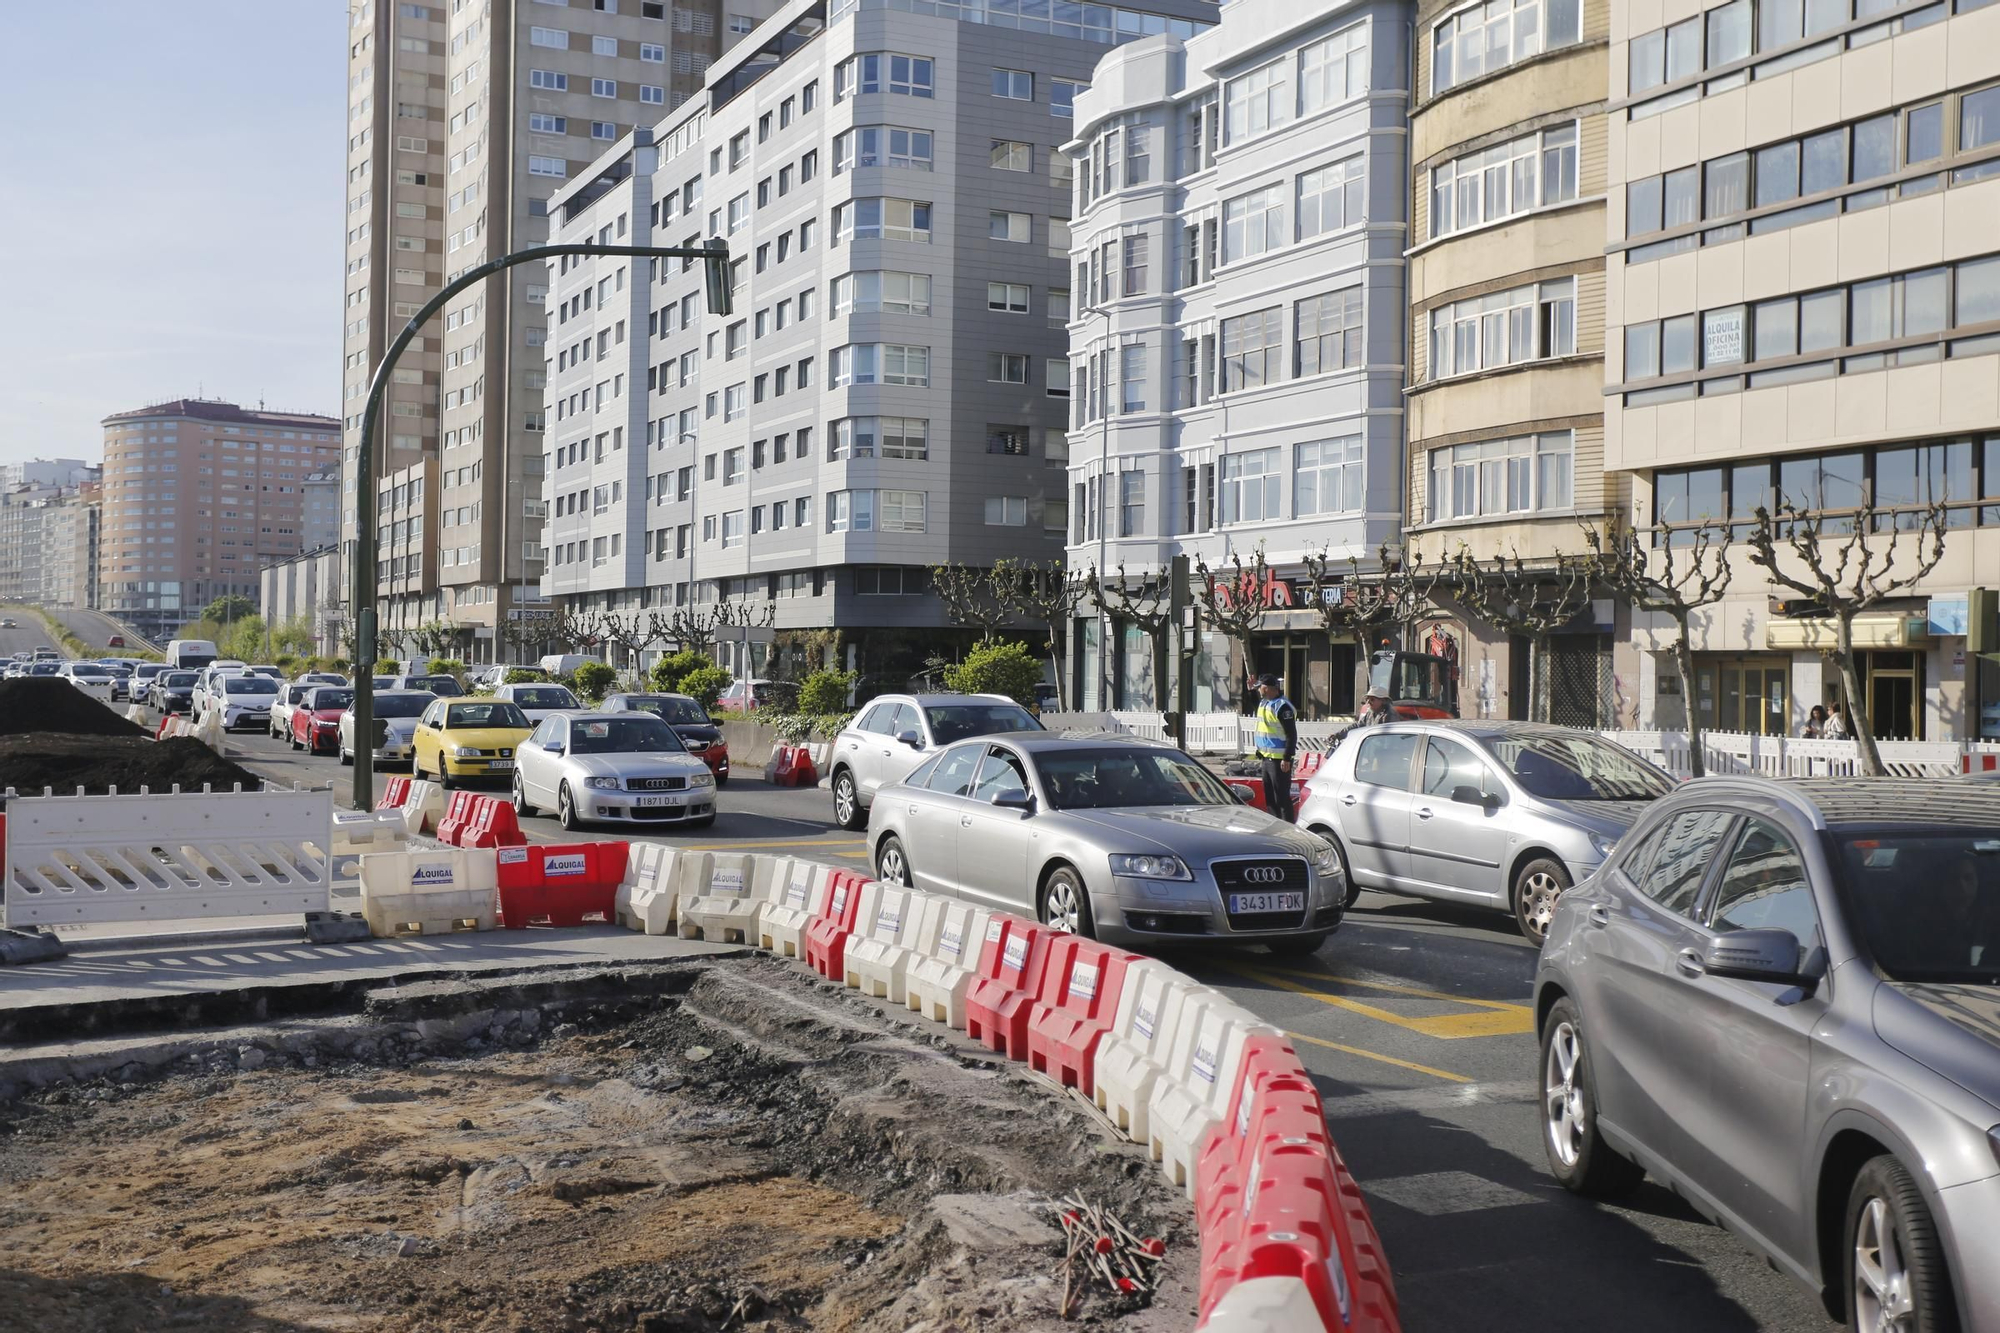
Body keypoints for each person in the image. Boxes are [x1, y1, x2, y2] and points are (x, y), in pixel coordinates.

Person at [1251, 673, 1298, 822]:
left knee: (1282, 798)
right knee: (1270, 798)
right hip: (1266, 758)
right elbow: (1255, 706)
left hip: (1279, 761)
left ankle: (1288, 828)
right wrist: (1251, 690)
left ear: (1267, 688)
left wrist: (1287, 758)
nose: (1259, 690)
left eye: (1260, 687)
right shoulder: (1265, 703)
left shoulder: (1282, 707)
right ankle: (1275, 826)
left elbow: (1291, 734)